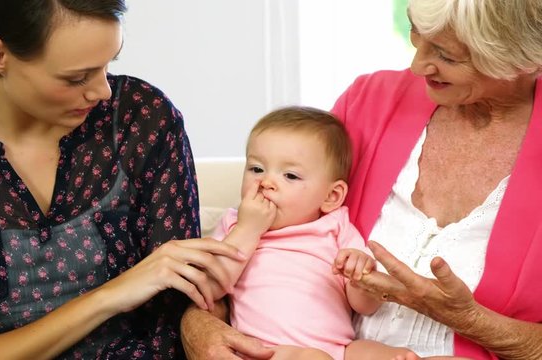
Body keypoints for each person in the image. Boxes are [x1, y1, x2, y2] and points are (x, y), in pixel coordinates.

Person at [180, 0, 542, 359]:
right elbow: (263, 252)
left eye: (446, 55)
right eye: (417, 33)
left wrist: (470, 320)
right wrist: (199, 325)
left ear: (518, 57)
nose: (417, 65)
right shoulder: (370, 103)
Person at [0, 1, 245, 359]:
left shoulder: (141, 116)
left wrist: (202, 324)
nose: (103, 92)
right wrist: (109, 295)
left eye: (109, 64)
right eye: (77, 77)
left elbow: (185, 292)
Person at [205, 106, 439, 360]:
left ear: (331, 196)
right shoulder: (234, 224)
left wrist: (360, 275)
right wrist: (249, 228)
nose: (266, 182)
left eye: (290, 175)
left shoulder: (337, 227)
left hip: (338, 349)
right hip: (265, 351)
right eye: (256, 169)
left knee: (390, 354)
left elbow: (365, 306)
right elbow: (211, 288)